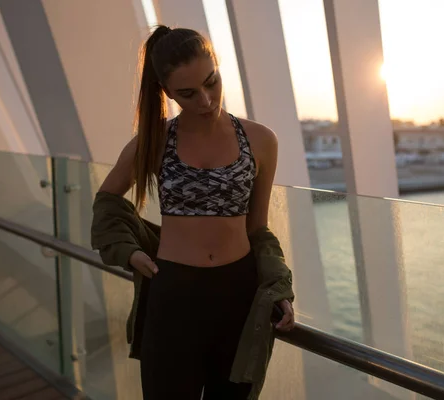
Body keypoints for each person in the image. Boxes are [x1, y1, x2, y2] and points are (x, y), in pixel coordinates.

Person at [92, 25, 295, 400]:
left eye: (211, 82)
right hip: (174, 296)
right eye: (187, 93)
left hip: (239, 292)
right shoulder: (153, 141)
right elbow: (107, 202)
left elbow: (257, 227)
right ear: (166, 92)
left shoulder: (261, 140)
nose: (205, 100)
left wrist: (277, 284)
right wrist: (129, 252)